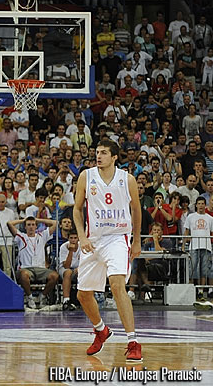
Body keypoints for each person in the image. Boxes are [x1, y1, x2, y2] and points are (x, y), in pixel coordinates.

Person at [72, 140, 142, 362]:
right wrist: (82, 236)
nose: (98, 156)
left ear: (114, 157)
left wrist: (137, 240)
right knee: (83, 295)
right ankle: (101, 330)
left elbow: (136, 209)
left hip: (117, 238)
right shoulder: (86, 176)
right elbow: (76, 209)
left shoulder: (127, 179)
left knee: (117, 284)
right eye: (97, 152)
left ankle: (133, 342)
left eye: (103, 152)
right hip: (92, 240)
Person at [59, 228, 81, 311]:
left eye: (75, 238)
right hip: (64, 268)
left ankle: (82, 299)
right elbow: (66, 266)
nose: (73, 240)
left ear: (78, 238)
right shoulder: (63, 247)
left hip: (78, 268)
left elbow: (86, 262)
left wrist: (79, 268)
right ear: (68, 239)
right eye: (71, 238)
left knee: (84, 271)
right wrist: (71, 251)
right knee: (68, 272)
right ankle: (66, 300)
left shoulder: (82, 246)